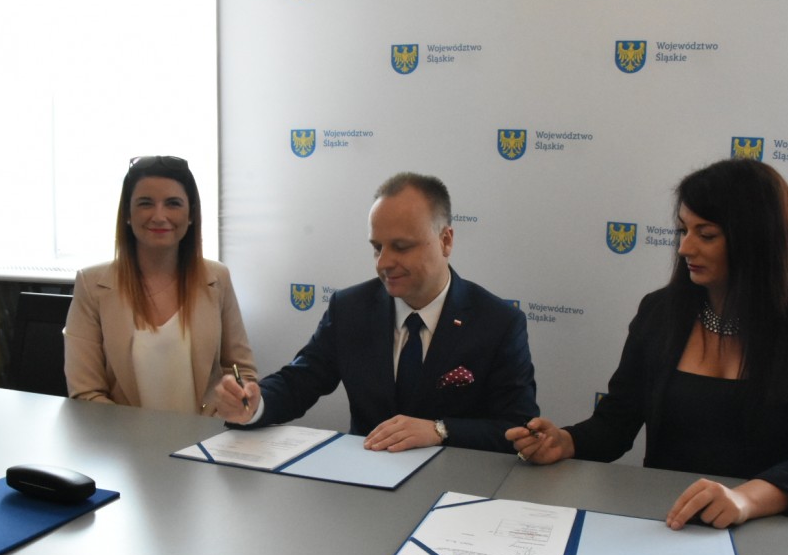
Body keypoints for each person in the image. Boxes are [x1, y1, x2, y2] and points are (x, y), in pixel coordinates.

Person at [508, 158, 788, 529]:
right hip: (669, 522)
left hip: (769, 527)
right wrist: (566, 442)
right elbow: (616, 424)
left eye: (706, 235)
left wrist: (745, 499)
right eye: (683, 231)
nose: (684, 248)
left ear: (757, 239)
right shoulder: (659, 312)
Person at [215, 171, 538, 454]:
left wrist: (440, 430)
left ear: (445, 240)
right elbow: (300, 380)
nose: (383, 263)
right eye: (376, 248)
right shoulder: (349, 309)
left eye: (401, 247)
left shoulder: (498, 323)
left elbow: (517, 427)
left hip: (455, 489)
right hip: (366, 486)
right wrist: (254, 404)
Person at [64, 155, 256, 414]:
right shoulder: (91, 285)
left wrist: (240, 397)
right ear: (128, 214)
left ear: (191, 214)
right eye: (145, 203)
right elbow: (85, 393)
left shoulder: (217, 278)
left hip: (207, 435)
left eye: (173, 203)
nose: (159, 216)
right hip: (121, 437)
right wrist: (140, 436)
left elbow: (241, 371)